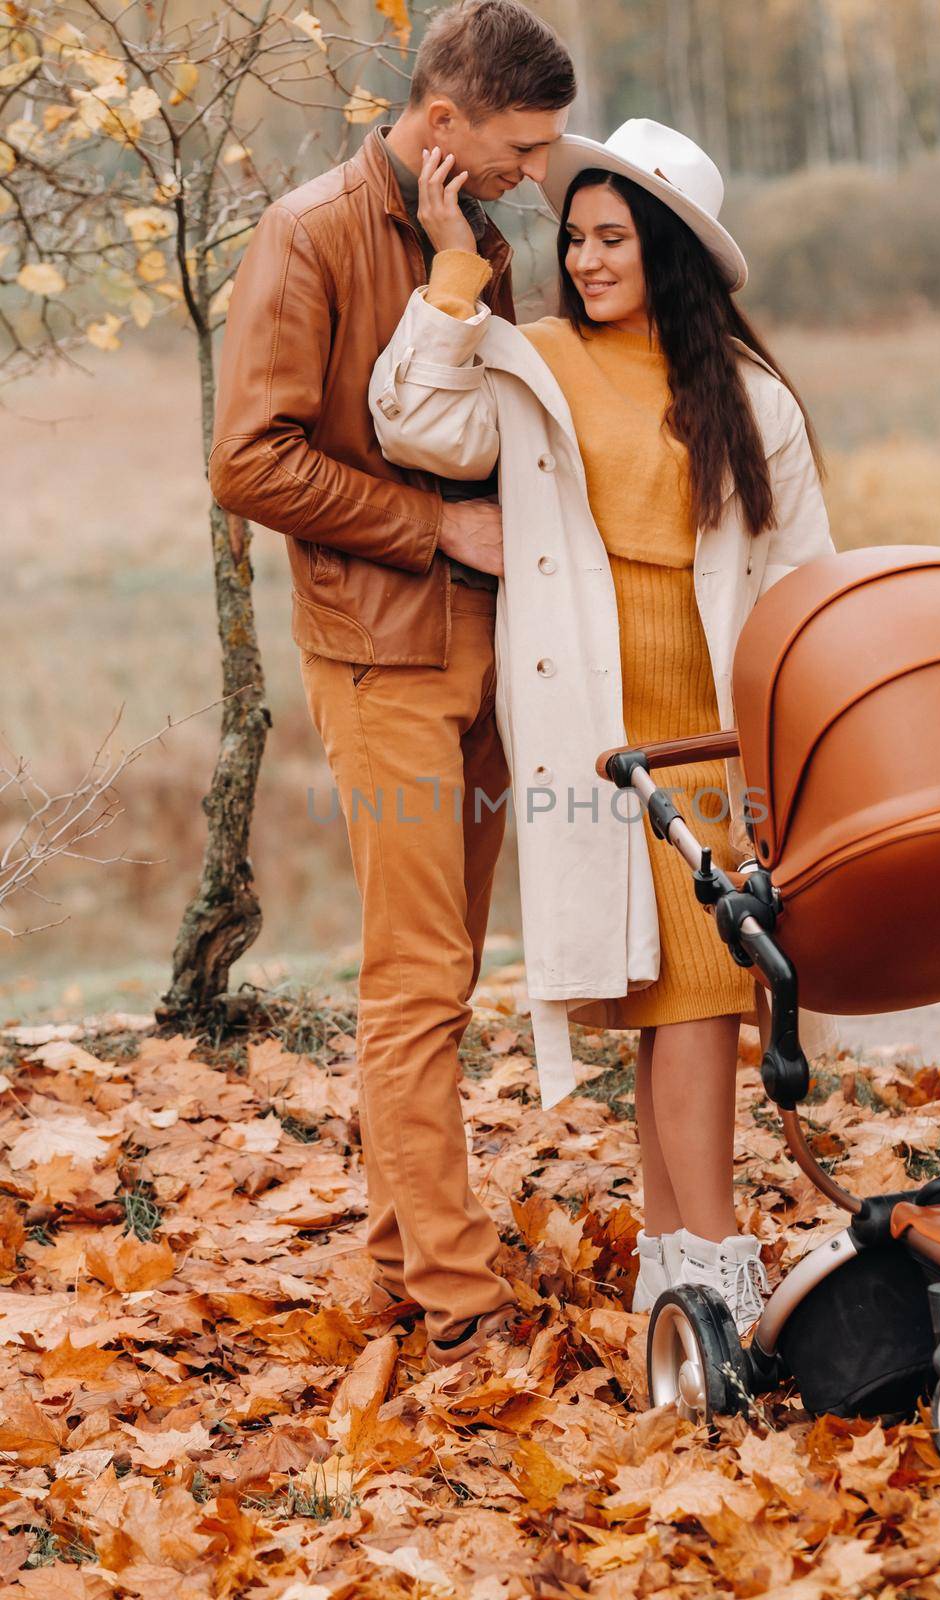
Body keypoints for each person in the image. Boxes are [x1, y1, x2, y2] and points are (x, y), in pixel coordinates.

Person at [369, 118, 839, 1337]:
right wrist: (451, 275)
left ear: (669, 250)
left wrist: (804, 746)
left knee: (696, 990)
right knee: (663, 997)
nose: (582, 260)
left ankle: (692, 1270)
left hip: (714, 739)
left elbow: (800, 580)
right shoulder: (528, 364)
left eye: (611, 238)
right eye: (573, 237)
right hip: (592, 731)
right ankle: (700, 1271)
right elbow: (413, 423)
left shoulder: (748, 399)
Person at [208, 0, 576, 1369]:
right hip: (379, 654)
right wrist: (431, 532)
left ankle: (395, 1257)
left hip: (490, 647)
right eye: (519, 145)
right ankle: (461, 1301)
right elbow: (249, 462)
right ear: (442, 125)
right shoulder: (305, 233)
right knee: (415, 976)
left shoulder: (470, 232)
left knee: (448, 968)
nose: (534, 173)